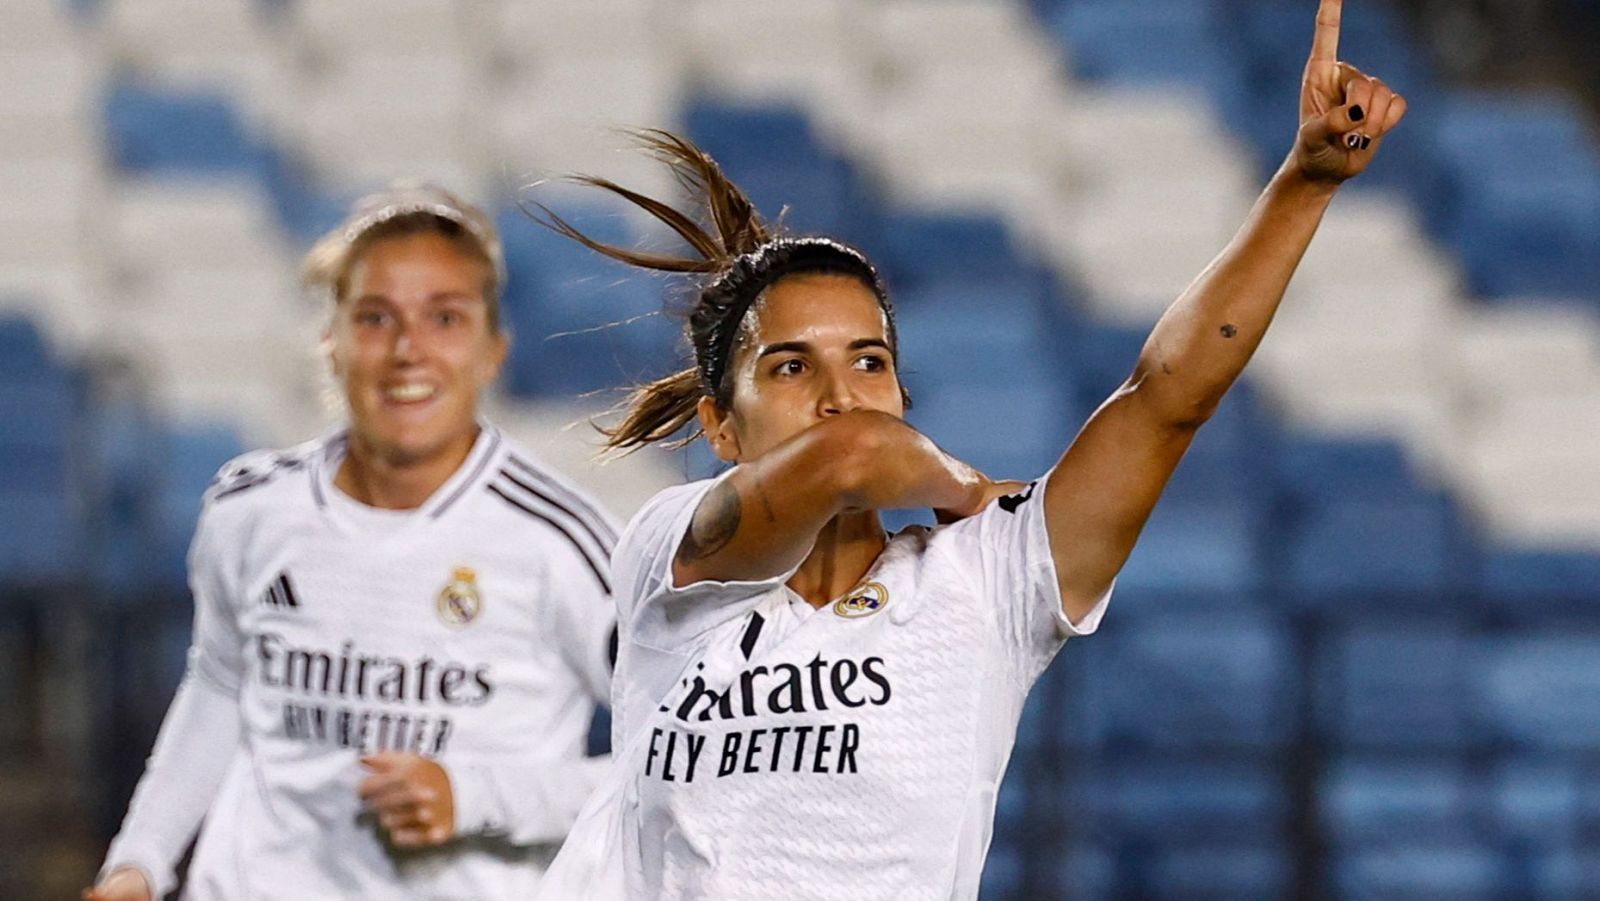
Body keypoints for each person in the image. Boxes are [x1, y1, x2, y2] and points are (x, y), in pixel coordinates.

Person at [531, 1, 1405, 897]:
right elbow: (850, 458)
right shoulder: (670, 554)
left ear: (904, 393)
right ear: (719, 423)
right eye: (790, 367)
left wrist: (1304, 184)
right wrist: (952, 477)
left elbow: (1167, 399)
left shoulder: (987, 578)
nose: (839, 395)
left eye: (869, 362)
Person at [84, 184, 621, 900]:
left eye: (445, 318)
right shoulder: (249, 507)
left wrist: (478, 793)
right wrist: (139, 860)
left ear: (493, 350)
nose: (408, 350)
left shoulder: (564, 541)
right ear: (330, 341)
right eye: (375, 317)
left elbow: (670, 759)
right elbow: (220, 680)